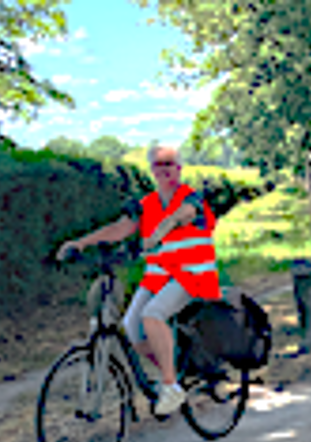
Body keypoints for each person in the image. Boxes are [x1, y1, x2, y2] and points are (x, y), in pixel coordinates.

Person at [57, 144, 221, 415]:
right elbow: (120, 228)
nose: (164, 169)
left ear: (179, 168)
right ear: (152, 170)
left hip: (193, 274)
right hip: (159, 276)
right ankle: (171, 372)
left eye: (169, 164)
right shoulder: (146, 204)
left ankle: (170, 386)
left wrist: (160, 231)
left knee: (152, 314)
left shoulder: (191, 197)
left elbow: (184, 215)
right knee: (132, 326)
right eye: (158, 164)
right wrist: (81, 243)